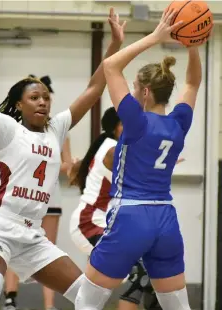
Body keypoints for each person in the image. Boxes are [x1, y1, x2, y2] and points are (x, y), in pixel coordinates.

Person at [0, 8, 126, 310]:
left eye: (45, 96)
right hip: (1, 227)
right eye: (34, 97)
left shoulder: (56, 129)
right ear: (19, 104)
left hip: (32, 234)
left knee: (89, 295)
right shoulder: (7, 128)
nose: (42, 101)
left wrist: (114, 46)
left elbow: (95, 88)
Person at [74, 8, 202, 310]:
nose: (130, 93)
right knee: (177, 306)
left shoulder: (135, 120)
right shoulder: (179, 121)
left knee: (87, 302)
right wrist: (193, 44)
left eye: (134, 88)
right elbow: (193, 84)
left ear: (144, 92)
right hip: (166, 219)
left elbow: (110, 66)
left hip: (130, 216)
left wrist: (156, 37)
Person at [3, 136, 74, 310]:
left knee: (48, 249)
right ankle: (10, 300)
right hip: (24, 195)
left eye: (46, 105)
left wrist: (51, 165)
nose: (42, 106)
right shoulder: (20, 130)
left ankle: (49, 305)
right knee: (15, 244)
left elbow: (68, 165)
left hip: (50, 196)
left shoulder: (61, 132)